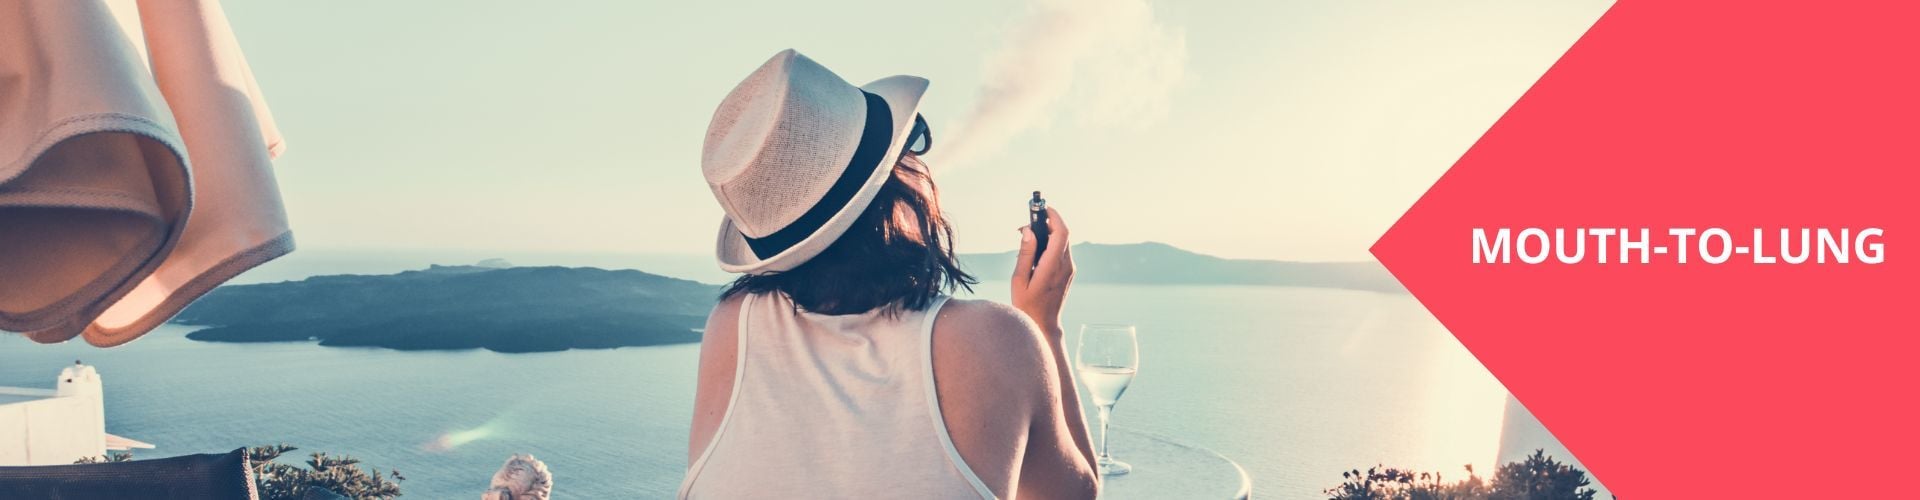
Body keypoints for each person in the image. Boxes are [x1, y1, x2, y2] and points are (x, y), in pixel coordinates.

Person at [678, 49, 1099, 499]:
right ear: (894, 187)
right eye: (913, 142)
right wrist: (1044, 324)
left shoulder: (732, 327)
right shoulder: (996, 341)